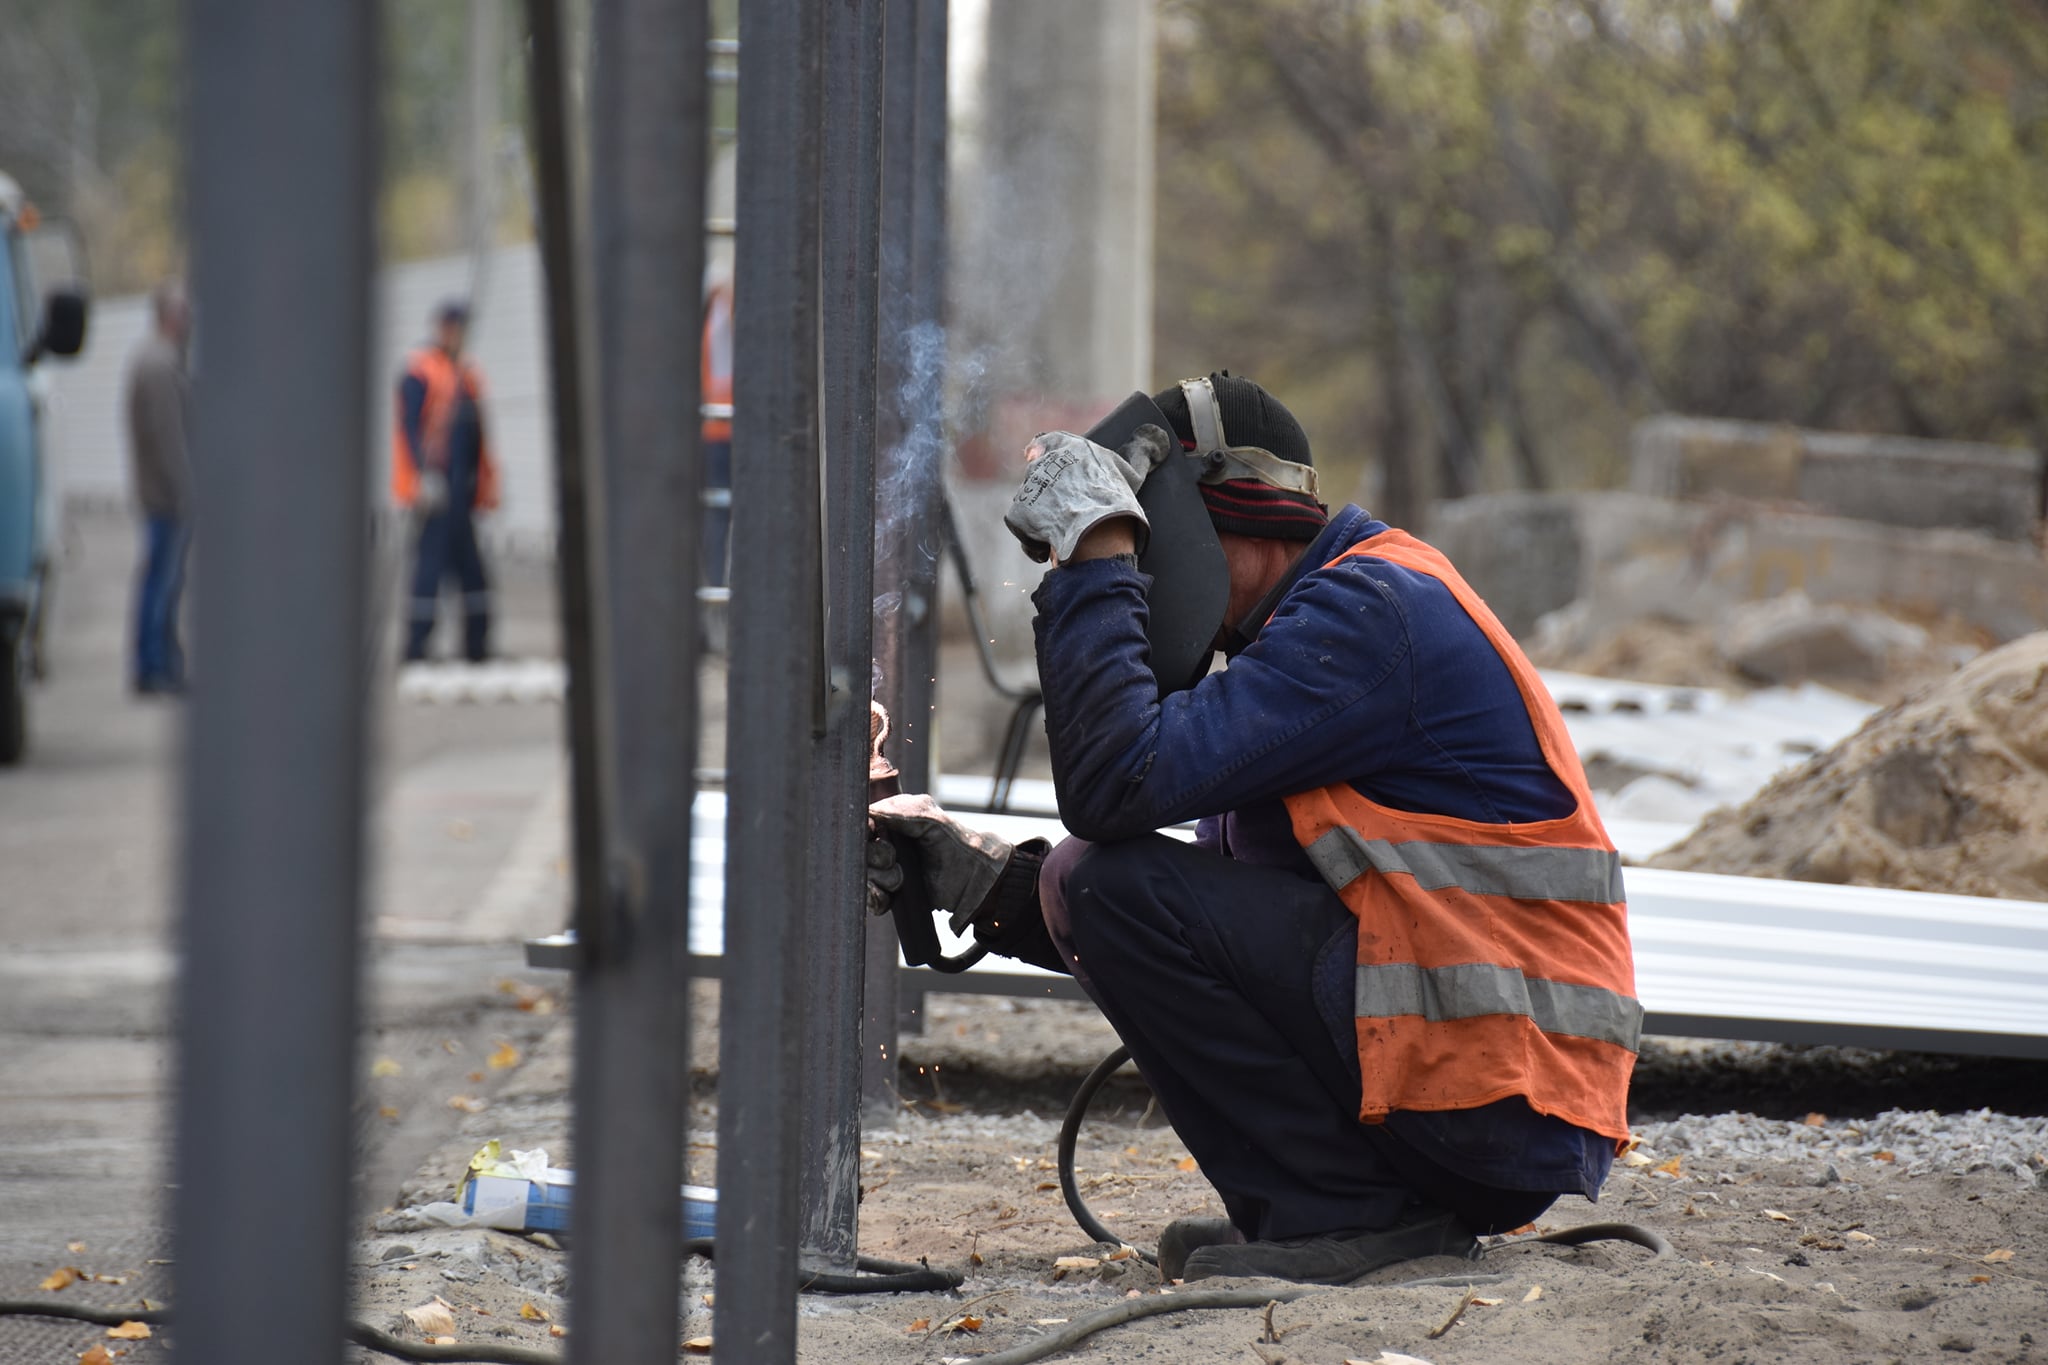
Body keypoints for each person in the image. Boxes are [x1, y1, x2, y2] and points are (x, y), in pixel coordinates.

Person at [868, 373, 1640, 1286]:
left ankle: (1345, 1216)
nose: (1143, 572)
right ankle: (1353, 1205)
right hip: (1482, 1083)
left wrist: (1099, 552)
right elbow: (1209, 926)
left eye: (1145, 537)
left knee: (1103, 875)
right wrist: (981, 881)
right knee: (1102, 881)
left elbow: (1114, 795)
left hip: (1495, 1095)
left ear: (1196, 520)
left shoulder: (1367, 613)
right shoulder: (1304, 635)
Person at [393, 299, 499, 663]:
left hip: (461, 493)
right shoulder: (420, 372)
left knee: (472, 573)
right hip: (435, 492)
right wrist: (422, 476)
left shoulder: (465, 374)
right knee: (430, 569)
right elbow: (408, 429)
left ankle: (477, 647)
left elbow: (476, 439)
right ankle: (416, 648)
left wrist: (484, 486)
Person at [124, 281, 192, 694]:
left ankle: (161, 662)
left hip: (159, 491)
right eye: (184, 311)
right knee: (161, 582)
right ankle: (153, 667)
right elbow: (170, 439)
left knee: (162, 580)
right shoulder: (159, 364)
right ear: (170, 315)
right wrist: (188, 490)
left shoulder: (157, 360)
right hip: (165, 495)